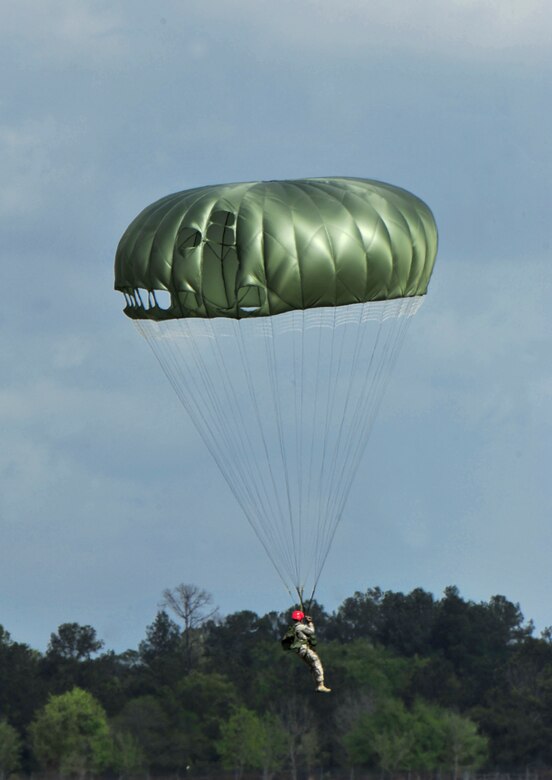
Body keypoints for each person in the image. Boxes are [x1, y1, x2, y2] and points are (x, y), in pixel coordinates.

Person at [282, 609, 331, 692]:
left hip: (300, 651)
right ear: (301, 618)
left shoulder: (294, 627)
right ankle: (320, 684)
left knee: (312, 665)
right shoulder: (300, 627)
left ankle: (318, 683)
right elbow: (311, 632)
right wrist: (310, 623)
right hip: (304, 649)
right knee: (316, 662)